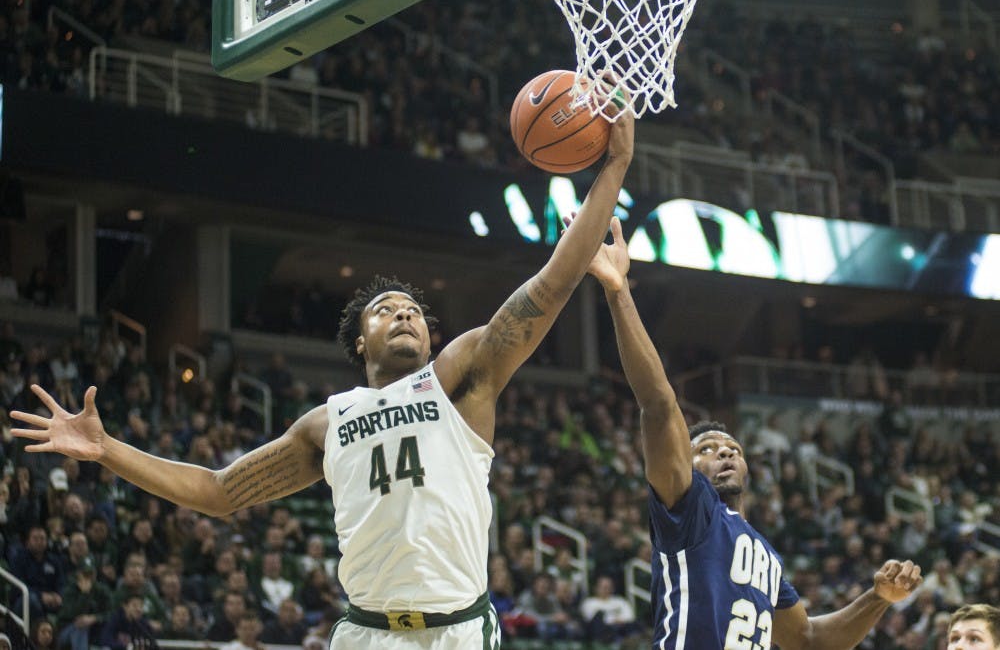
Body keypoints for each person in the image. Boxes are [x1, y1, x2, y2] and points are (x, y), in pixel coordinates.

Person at [12, 111, 634, 650]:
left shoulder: (460, 378)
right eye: (386, 309)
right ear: (360, 341)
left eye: (413, 310)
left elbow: (550, 286)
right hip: (365, 632)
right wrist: (104, 449)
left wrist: (612, 169)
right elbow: (218, 490)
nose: (404, 314)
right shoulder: (328, 420)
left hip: (457, 630)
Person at [584, 215, 925, 649]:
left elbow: (808, 639)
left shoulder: (763, 552)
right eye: (707, 448)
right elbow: (658, 403)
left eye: (732, 447)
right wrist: (618, 292)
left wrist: (878, 598)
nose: (725, 452)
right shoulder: (689, 509)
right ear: (684, 465)